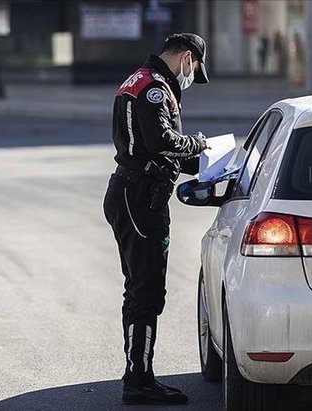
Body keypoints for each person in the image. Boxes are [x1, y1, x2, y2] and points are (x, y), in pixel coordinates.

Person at [103, 33, 211, 405]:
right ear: (185, 58)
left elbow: (159, 149)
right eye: (193, 69)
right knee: (146, 291)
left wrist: (206, 165)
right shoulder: (154, 87)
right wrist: (198, 143)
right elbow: (161, 140)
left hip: (135, 193)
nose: (191, 78)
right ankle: (139, 380)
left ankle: (139, 374)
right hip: (139, 197)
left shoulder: (143, 79)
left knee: (141, 289)